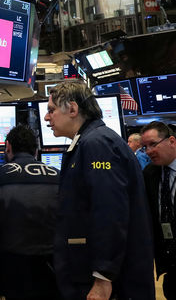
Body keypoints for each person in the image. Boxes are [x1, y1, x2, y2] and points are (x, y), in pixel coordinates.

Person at [44, 80, 154, 299]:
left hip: (110, 285)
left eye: (51, 110)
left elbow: (110, 212)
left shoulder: (97, 144)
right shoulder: (89, 142)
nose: (47, 117)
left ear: (73, 109)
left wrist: (103, 277)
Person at [0, 125, 60, 300]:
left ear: (7, 146)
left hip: (13, 271)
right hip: (55, 268)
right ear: (36, 150)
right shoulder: (59, 175)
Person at [141, 121, 176, 298]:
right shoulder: (149, 173)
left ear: (172, 141)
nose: (148, 151)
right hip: (170, 266)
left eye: (153, 144)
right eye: (145, 147)